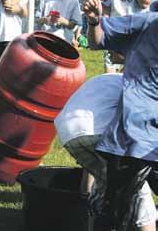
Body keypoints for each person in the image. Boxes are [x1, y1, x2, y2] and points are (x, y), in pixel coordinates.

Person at [82, 0, 158, 231]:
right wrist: (94, 20)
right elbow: (97, 40)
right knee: (113, 212)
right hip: (132, 137)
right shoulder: (146, 23)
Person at [54, 73, 156, 231]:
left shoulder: (111, 78)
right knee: (136, 187)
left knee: (106, 186)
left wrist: (84, 194)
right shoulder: (142, 89)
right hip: (99, 133)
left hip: (67, 130)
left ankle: (88, 214)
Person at [82, 0, 157, 74]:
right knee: (110, 74)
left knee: (133, 76)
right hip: (115, 31)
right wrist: (96, 5)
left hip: (137, 34)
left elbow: (145, 3)